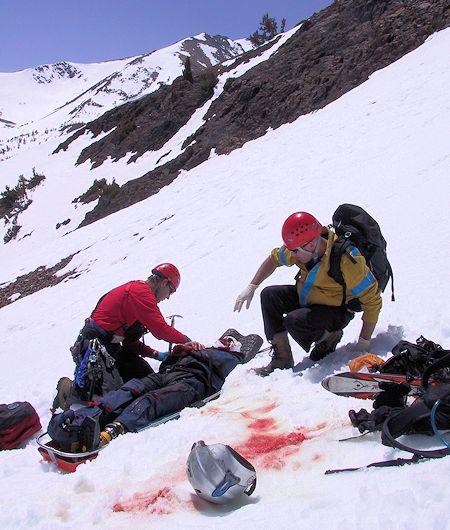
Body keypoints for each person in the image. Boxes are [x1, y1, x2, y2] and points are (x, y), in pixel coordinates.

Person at [48, 334, 260, 452]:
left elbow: (227, 378)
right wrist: (180, 352)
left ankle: (111, 431)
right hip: (170, 373)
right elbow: (166, 364)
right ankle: (87, 418)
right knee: (132, 388)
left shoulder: (232, 360)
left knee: (152, 400)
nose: (225, 341)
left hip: (192, 383)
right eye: (224, 339)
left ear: (235, 348)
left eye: (230, 342)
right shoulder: (201, 347)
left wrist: (214, 356)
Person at [234, 211, 382, 376]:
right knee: (269, 295)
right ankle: (282, 358)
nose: (292, 255)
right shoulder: (303, 248)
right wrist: (252, 286)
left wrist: (364, 342)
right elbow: (274, 259)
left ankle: (329, 337)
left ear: (311, 245)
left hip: (336, 310)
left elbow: (372, 301)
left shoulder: (346, 259)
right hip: (309, 297)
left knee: (294, 321)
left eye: (295, 251)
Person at [61, 263, 196, 405]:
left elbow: (128, 341)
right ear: (163, 283)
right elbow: (160, 329)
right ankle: (71, 392)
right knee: (112, 401)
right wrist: (186, 340)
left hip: (110, 347)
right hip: (96, 348)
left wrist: (155, 354)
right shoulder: (141, 293)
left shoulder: (138, 291)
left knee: (147, 380)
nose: (168, 297)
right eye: (171, 291)